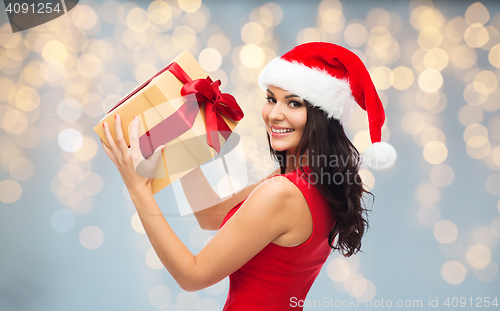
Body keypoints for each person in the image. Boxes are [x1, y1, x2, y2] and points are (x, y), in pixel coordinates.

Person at [100, 42, 396, 310]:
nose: (274, 114)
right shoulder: (306, 179)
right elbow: (211, 216)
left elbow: (192, 276)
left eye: (294, 103)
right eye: (271, 99)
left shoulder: (283, 193)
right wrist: (183, 135)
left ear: (322, 115)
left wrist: (138, 189)